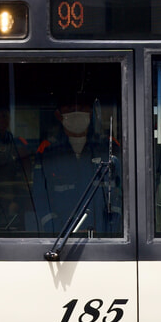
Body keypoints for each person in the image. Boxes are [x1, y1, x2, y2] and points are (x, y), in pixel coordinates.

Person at [32, 96, 122, 236]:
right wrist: (56, 230)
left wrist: (111, 230)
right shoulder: (47, 151)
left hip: (104, 238)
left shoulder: (108, 147)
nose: (76, 112)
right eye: (69, 108)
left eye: (82, 108)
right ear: (58, 114)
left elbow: (120, 192)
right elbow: (40, 197)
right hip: (61, 240)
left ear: (91, 112)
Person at [0, 105, 35, 233]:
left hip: (16, 193)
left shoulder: (15, 141)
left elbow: (25, 168)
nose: (2, 120)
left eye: (5, 117)